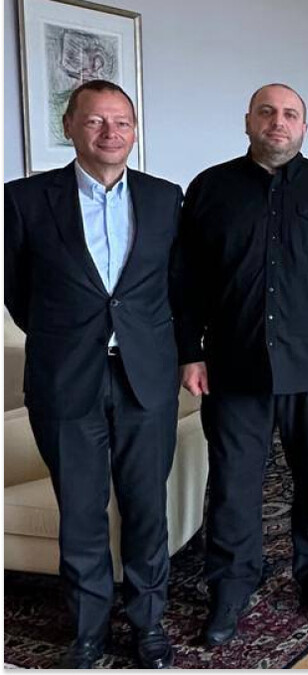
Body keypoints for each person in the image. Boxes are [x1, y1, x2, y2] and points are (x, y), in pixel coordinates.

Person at [176, 83, 308, 646]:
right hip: (233, 366)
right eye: (267, 112)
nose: (278, 122)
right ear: (248, 121)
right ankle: (231, 584)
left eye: (290, 114)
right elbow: (185, 280)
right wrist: (189, 351)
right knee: (233, 483)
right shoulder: (210, 189)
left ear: (304, 128)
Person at [4, 80, 181, 668]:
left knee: (146, 507)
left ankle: (149, 623)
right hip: (65, 379)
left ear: (135, 130)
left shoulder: (164, 198)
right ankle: (88, 631)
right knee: (80, 511)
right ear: (70, 127)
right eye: (96, 121)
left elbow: (175, 287)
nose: (111, 133)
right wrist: (69, 338)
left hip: (144, 377)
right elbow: (18, 294)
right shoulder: (24, 200)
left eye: (122, 122)